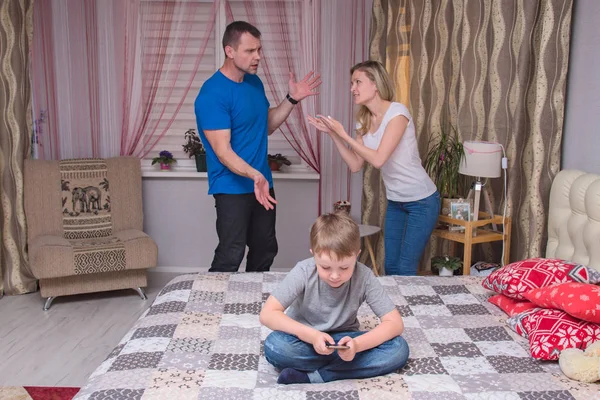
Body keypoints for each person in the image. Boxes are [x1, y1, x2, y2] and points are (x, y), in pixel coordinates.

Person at [195, 21, 321, 272]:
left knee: (265, 248)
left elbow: (268, 125)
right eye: (250, 51)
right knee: (232, 252)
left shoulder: (254, 84)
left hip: (261, 184)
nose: (258, 57)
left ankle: (251, 303)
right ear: (230, 51)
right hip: (232, 186)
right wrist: (255, 175)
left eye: (259, 50)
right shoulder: (213, 93)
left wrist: (291, 99)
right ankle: (214, 305)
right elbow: (223, 151)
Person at [307, 60, 440, 276]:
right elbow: (355, 164)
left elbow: (378, 160)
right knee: (391, 266)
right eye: (352, 83)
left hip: (422, 201)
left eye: (357, 82)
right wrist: (333, 134)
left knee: (405, 268)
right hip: (396, 201)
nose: (352, 89)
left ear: (375, 84)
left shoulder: (398, 113)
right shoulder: (364, 121)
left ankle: (404, 310)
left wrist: (343, 134)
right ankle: (392, 309)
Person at [260, 212, 409, 384]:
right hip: (305, 340)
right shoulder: (303, 271)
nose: (335, 276)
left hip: (346, 341)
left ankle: (320, 375)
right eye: (325, 267)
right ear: (313, 254)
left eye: (345, 267)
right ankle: (346, 368)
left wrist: (357, 345)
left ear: (357, 255)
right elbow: (268, 314)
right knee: (275, 346)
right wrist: (312, 336)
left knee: (399, 348)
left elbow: (395, 323)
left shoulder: (365, 276)